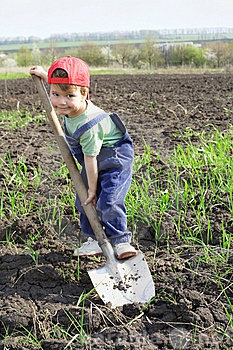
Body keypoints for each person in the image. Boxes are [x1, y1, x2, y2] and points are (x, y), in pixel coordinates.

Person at [30, 56, 137, 260]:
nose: (61, 102)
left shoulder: (89, 124)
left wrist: (92, 189)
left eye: (69, 95)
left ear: (84, 94)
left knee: (108, 201)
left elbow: (90, 160)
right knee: (83, 202)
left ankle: (120, 240)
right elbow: (60, 88)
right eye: (55, 94)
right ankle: (94, 240)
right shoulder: (71, 104)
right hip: (93, 159)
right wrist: (45, 76)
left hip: (114, 160)